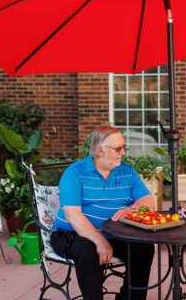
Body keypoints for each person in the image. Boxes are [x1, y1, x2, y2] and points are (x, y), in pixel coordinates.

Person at [51, 126, 155, 300]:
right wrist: (100, 241)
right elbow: (73, 216)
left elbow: (147, 202)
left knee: (143, 247)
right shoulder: (75, 173)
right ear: (100, 150)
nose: (123, 152)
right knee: (87, 250)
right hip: (71, 234)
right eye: (118, 148)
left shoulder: (127, 171)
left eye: (123, 147)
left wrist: (131, 209)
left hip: (114, 234)